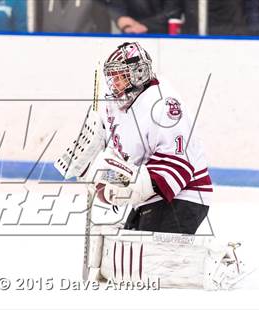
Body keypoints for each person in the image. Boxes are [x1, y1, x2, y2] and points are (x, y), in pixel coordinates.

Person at [86, 42, 213, 234]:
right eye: (112, 78)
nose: (115, 84)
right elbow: (120, 155)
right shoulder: (118, 105)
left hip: (183, 195)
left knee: (151, 260)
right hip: (152, 198)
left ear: (139, 73)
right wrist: (100, 173)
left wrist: (129, 189)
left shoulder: (164, 104)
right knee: (126, 251)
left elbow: (177, 162)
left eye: (120, 77)